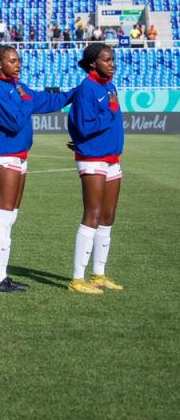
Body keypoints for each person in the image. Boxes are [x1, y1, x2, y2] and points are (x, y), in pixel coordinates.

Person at [0, 46, 72, 292]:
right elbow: (14, 121)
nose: (18, 64)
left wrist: (75, 93)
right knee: (2, 215)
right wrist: (27, 100)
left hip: (17, 154)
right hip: (4, 154)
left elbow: (46, 101)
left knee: (10, 216)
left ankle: (2, 275)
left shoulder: (18, 86)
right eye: (12, 60)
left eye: (18, 60)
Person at [66, 44, 124, 295]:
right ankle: (77, 280)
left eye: (112, 59)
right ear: (93, 64)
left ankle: (98, 274)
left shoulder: (110, 86)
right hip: (93, 159)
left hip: (112, 158)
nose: (112, 64)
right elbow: (84, 125)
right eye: (106, 60)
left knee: (108, 216)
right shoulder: (86, 89)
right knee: (93, 215)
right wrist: (110, 112)